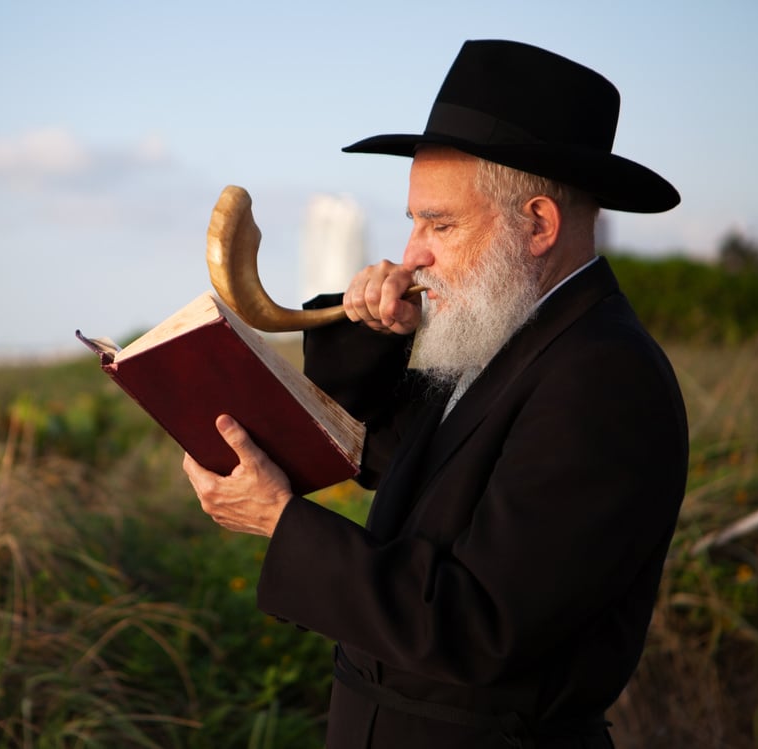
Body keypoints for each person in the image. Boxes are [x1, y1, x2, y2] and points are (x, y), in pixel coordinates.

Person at [183, 39, 688, 749]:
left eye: (440, 224)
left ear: (538, 224)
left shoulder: (604, 380)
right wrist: (370, 331)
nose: (411, 252)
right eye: (415, 220)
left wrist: (279, 522)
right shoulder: (513, 342)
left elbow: (477, 623)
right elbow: (378, 452)